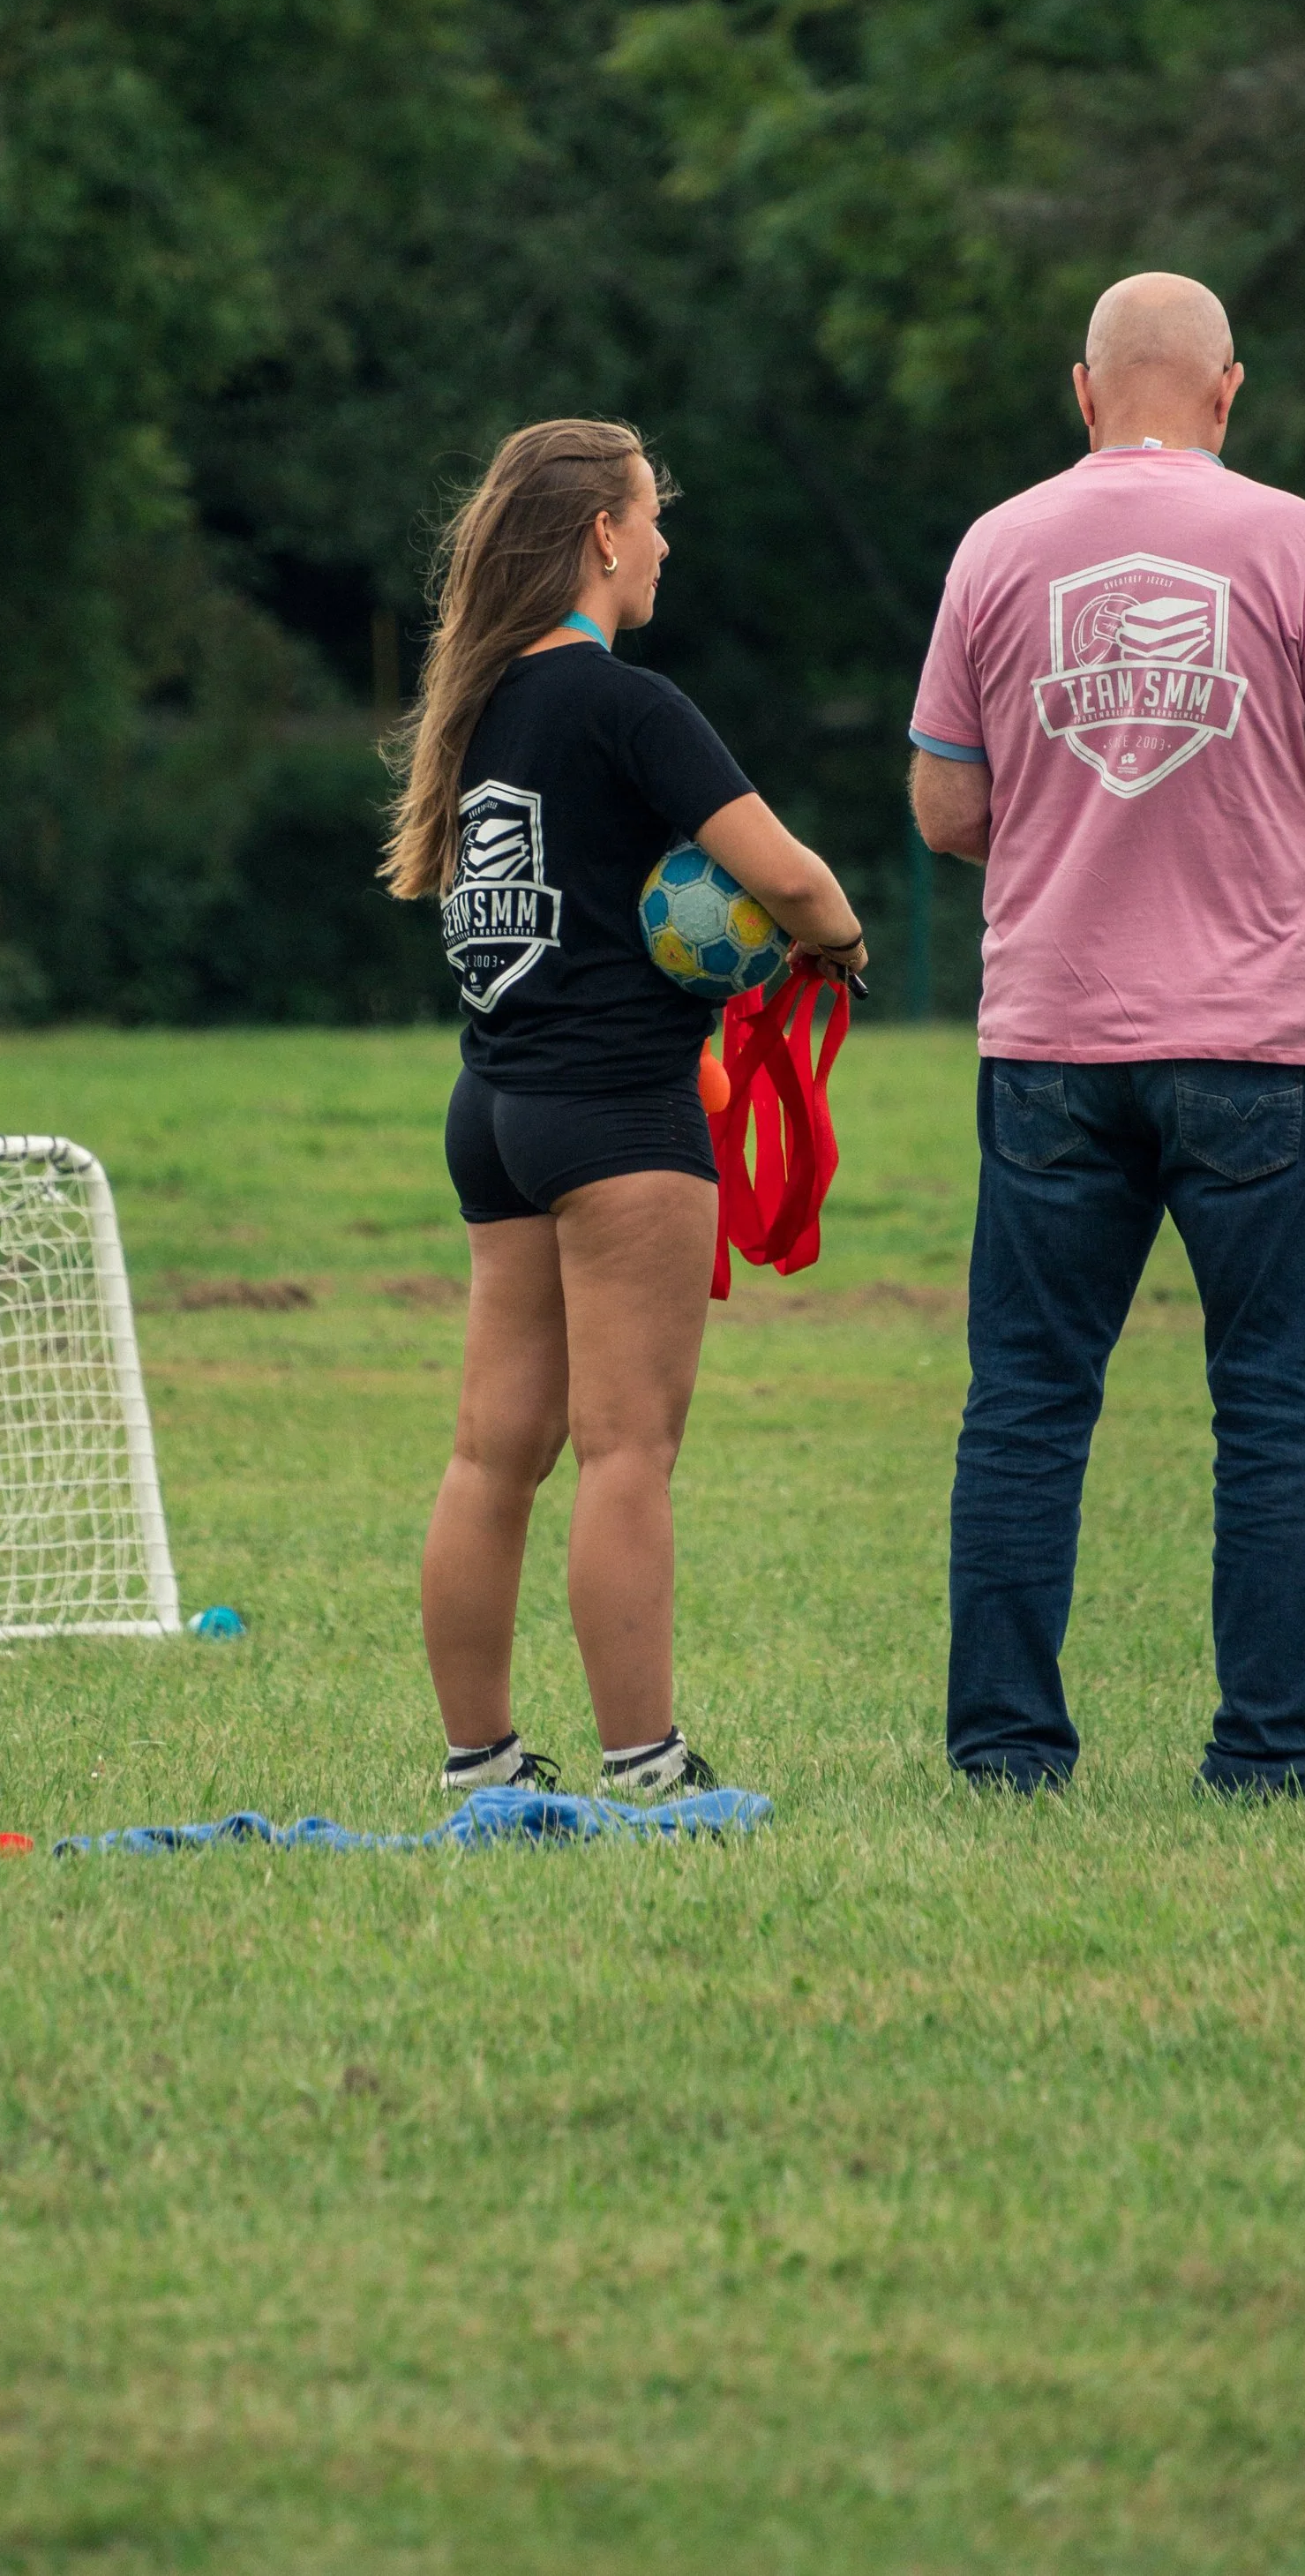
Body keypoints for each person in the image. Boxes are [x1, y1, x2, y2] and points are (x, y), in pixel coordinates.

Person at [908, 273, 1305, 1801]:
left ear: (1083, 390)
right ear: (1226, 391)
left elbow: (946, 806)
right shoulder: (1291, 540)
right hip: (1260, 1049)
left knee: (1025, 1404)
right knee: (1273, 1407)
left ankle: (1006, 1750)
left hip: (1053, 1043)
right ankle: (1264, 1762)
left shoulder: (998, 546)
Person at [384, 417, 867, 1799]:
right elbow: (795, 876)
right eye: (653, 516)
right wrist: (838, 945)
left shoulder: (480, 705)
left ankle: (481, 1762)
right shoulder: (628, 704)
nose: (664, 542)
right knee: (628, 1448)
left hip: (494, 1107)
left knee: (493, 1449)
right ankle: (647, 1765)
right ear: (603, 534)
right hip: (614, 1116)